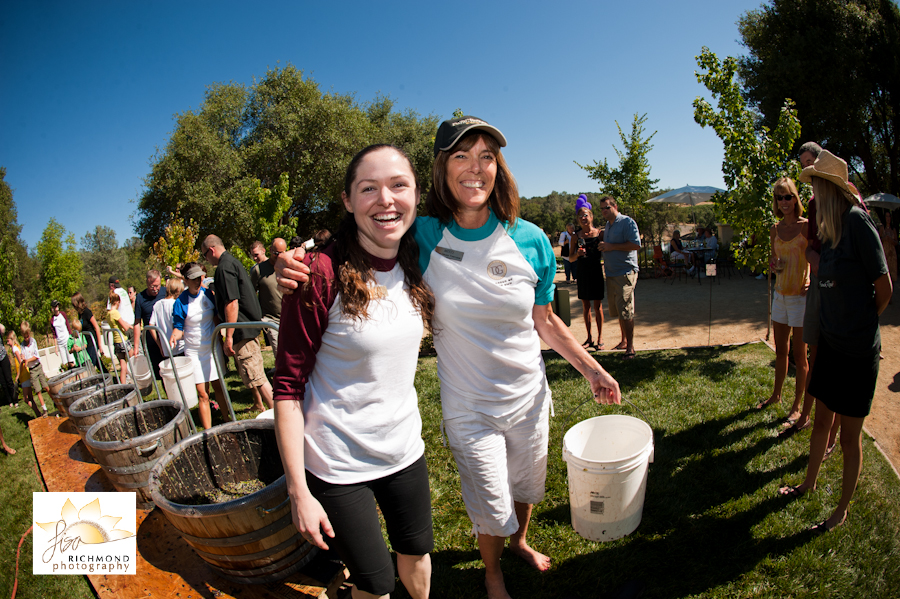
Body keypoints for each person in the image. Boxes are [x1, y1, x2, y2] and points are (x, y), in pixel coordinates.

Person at [277, 115, 622, 599]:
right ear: (441, 171)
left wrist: (592, 367)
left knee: (526, 487)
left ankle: (520, 541)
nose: (474, 167)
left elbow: (544, 321)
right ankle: (493, 571)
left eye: (486, 156)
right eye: (461, 155)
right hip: (468, 405)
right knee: (490, 501)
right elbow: (361, 235)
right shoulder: (423, 235)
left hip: (527, 395)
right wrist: (295, 261)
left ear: (498, 168)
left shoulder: (532, 240)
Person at [274, 144, 435, 599]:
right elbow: (286, 389)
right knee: (376, 585)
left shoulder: (416, 255)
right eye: (369, 188)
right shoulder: (317, 275)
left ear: (416, 195)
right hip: (338, 463)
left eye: (398, 185)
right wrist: (298, 492)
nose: (386, 199)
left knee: (417, 553)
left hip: (404, 449)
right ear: (348, 200)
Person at [778, 150, 892, 534]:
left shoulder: (859, 223)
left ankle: (840, 510)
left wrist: (860, 323)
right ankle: (808, 484)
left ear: (829, 188)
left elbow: (884, 288)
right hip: (828, 343)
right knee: (821, 423)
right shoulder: (827, 228)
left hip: (857, 351)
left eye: (814, 184)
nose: (809, 192)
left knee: (848, 438)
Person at [756, 178, 810, 432]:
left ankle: (797, 406)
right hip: (780, 296)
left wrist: (811, 278)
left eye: (788, 196)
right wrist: (773, 264)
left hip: (800, 298)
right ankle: (776, 395)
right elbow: (773, 258)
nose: (784, 202)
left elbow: (815, 258)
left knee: (800, 356)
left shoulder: (807, 227)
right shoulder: (774, 229)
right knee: (781, 351)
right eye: (779, 197)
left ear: (795, 198)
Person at [201, 235, 274, 413]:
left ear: (211, 250)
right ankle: (263, 406)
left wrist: (229, 336)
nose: (206, 260)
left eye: (204, 255)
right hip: (247, 328)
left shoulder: (224, 268)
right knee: (252, 374)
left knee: (258, 377)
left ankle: (278, 417)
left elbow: (232, 303)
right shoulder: (231, 263)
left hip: (242, 331)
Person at [170, 263, 228, 429]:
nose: (198, 281)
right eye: (194, 278)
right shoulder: (180, 302)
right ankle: (208, 432)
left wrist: (221, 338)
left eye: (199, 277)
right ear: (186, 280)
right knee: (203, 393)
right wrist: (173, 337)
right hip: (194, 352)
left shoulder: (208, 294)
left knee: (219, 386)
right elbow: (178, 328)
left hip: (212, 348)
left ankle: (227, 420)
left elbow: (215, 317)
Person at [597, 195, 641, 359]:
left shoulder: (627, 222)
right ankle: (623, 341)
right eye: (601, 209)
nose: (604, 211)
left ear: (615, 206)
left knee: (626, 309)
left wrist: (610, 246)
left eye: (606, 207)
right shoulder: (608, 226)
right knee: (618, 309)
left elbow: (636, 244)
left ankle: (630, 348)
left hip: (625, 272)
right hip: (611, 273)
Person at [569, 206, 604, 350]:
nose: (583, 218)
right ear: (578, 220)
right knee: (586, 307)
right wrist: (577, 254)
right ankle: (589, 337)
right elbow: (570, 259)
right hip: (582, 272)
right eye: (580, 216)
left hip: (596, 271)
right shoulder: (575, 237)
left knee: (598, 306)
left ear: (591, 216)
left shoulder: (600, 234)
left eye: (585, 215)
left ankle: (600, 338)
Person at [250, 238, 285, 354]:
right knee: (278, 352)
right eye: (276, 253)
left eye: (282, 253)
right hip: (270, 319)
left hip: (288, 317)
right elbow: (251, 295)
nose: (279, 256)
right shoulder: (258, 270)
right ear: (270, 250)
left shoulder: (287, 266)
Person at [132, 270, 166, 378]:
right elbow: (137, 323)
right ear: (147, 283)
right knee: (159, 373)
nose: (155, 289)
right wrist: (136, 346)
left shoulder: (165, 292)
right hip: (152, 341)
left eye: (157, 286)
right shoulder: (140, 298)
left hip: (166, 337)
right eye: (152, 286)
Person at [17, 322, 49, 415]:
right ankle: (44, 409)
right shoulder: (22, 345)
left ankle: (55, 401)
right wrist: (23, 358)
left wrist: (27, 360)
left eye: (27, 336)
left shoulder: (33, 341)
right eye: (24, 337)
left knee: (46, 387)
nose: (26, 339)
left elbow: (36, 356)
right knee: (38, 391)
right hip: (32, 371)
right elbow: (23, 356)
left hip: (38, 366)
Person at [150, 277, 185, 359]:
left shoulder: (157, 304)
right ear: (178, 290)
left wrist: (160, 345)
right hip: (180, 347)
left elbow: (151, 325)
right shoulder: (176, 304)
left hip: (166, 349)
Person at [70, 292, 104, 368]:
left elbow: (97, 327)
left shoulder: (87, 312)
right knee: (99, 364)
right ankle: (108, 378)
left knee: (91, 364)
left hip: (92, 341)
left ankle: (94, 379)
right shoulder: (80, 314)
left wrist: (99, 345)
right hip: (86, 342)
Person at [106, 291, 133, 383]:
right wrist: (129, 326)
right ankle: (136, 377)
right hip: (122, 339)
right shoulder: (115, 313)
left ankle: (123, 384)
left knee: (122, 363)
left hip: (116, 340)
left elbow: (119, 324)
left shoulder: (108, 314)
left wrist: (128, 325)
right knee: (133, 357)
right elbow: (124, 327)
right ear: (117, 302)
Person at [48, 300, 75, 369]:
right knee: (65, 363)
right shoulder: (52, 319)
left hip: (67, 339)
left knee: (71, 360)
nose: (56, 307)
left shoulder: (63, 314)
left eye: (57, 305)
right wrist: (56, 347)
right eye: (55, 306)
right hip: (60, 342)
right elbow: (54, 334)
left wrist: (71, 337)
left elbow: (68, 326)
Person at [878, 211, 897, 290]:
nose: (888, 218)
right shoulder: (882, 228)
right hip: (885, 252)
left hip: (892, 253)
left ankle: (891, 292)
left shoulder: (893, 229)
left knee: (892, 273)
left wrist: (892, 241)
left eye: (889, 216)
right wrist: (884, 239)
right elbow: (878, 240)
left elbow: (896, 242)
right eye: (886, 216)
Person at [0, 324, 18, 408]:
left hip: (3, 358)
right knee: (3, 383)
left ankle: (15, 400)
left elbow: (3, 328)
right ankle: (9, 401)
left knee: (8, 380)